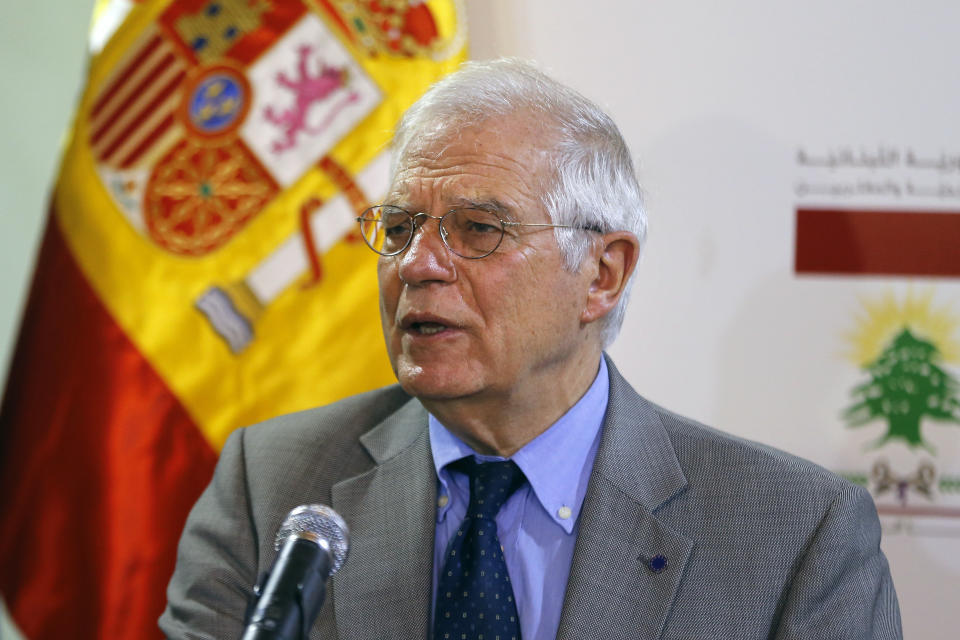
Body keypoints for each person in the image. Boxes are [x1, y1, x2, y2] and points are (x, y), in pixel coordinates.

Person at [160, 58, 902, 640]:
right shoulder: (274, 488)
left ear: (601, 275)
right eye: (398, 227)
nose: (417, 263)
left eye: (479, 230)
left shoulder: (794, 534)